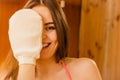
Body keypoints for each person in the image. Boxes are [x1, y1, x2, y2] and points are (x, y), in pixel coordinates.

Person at [0, 0, 102, 80]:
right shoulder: (6, 77)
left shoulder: (84, 70)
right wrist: (27, 59)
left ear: (61, 30)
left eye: (50, 28)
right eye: (35, 28)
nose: (42, 36)